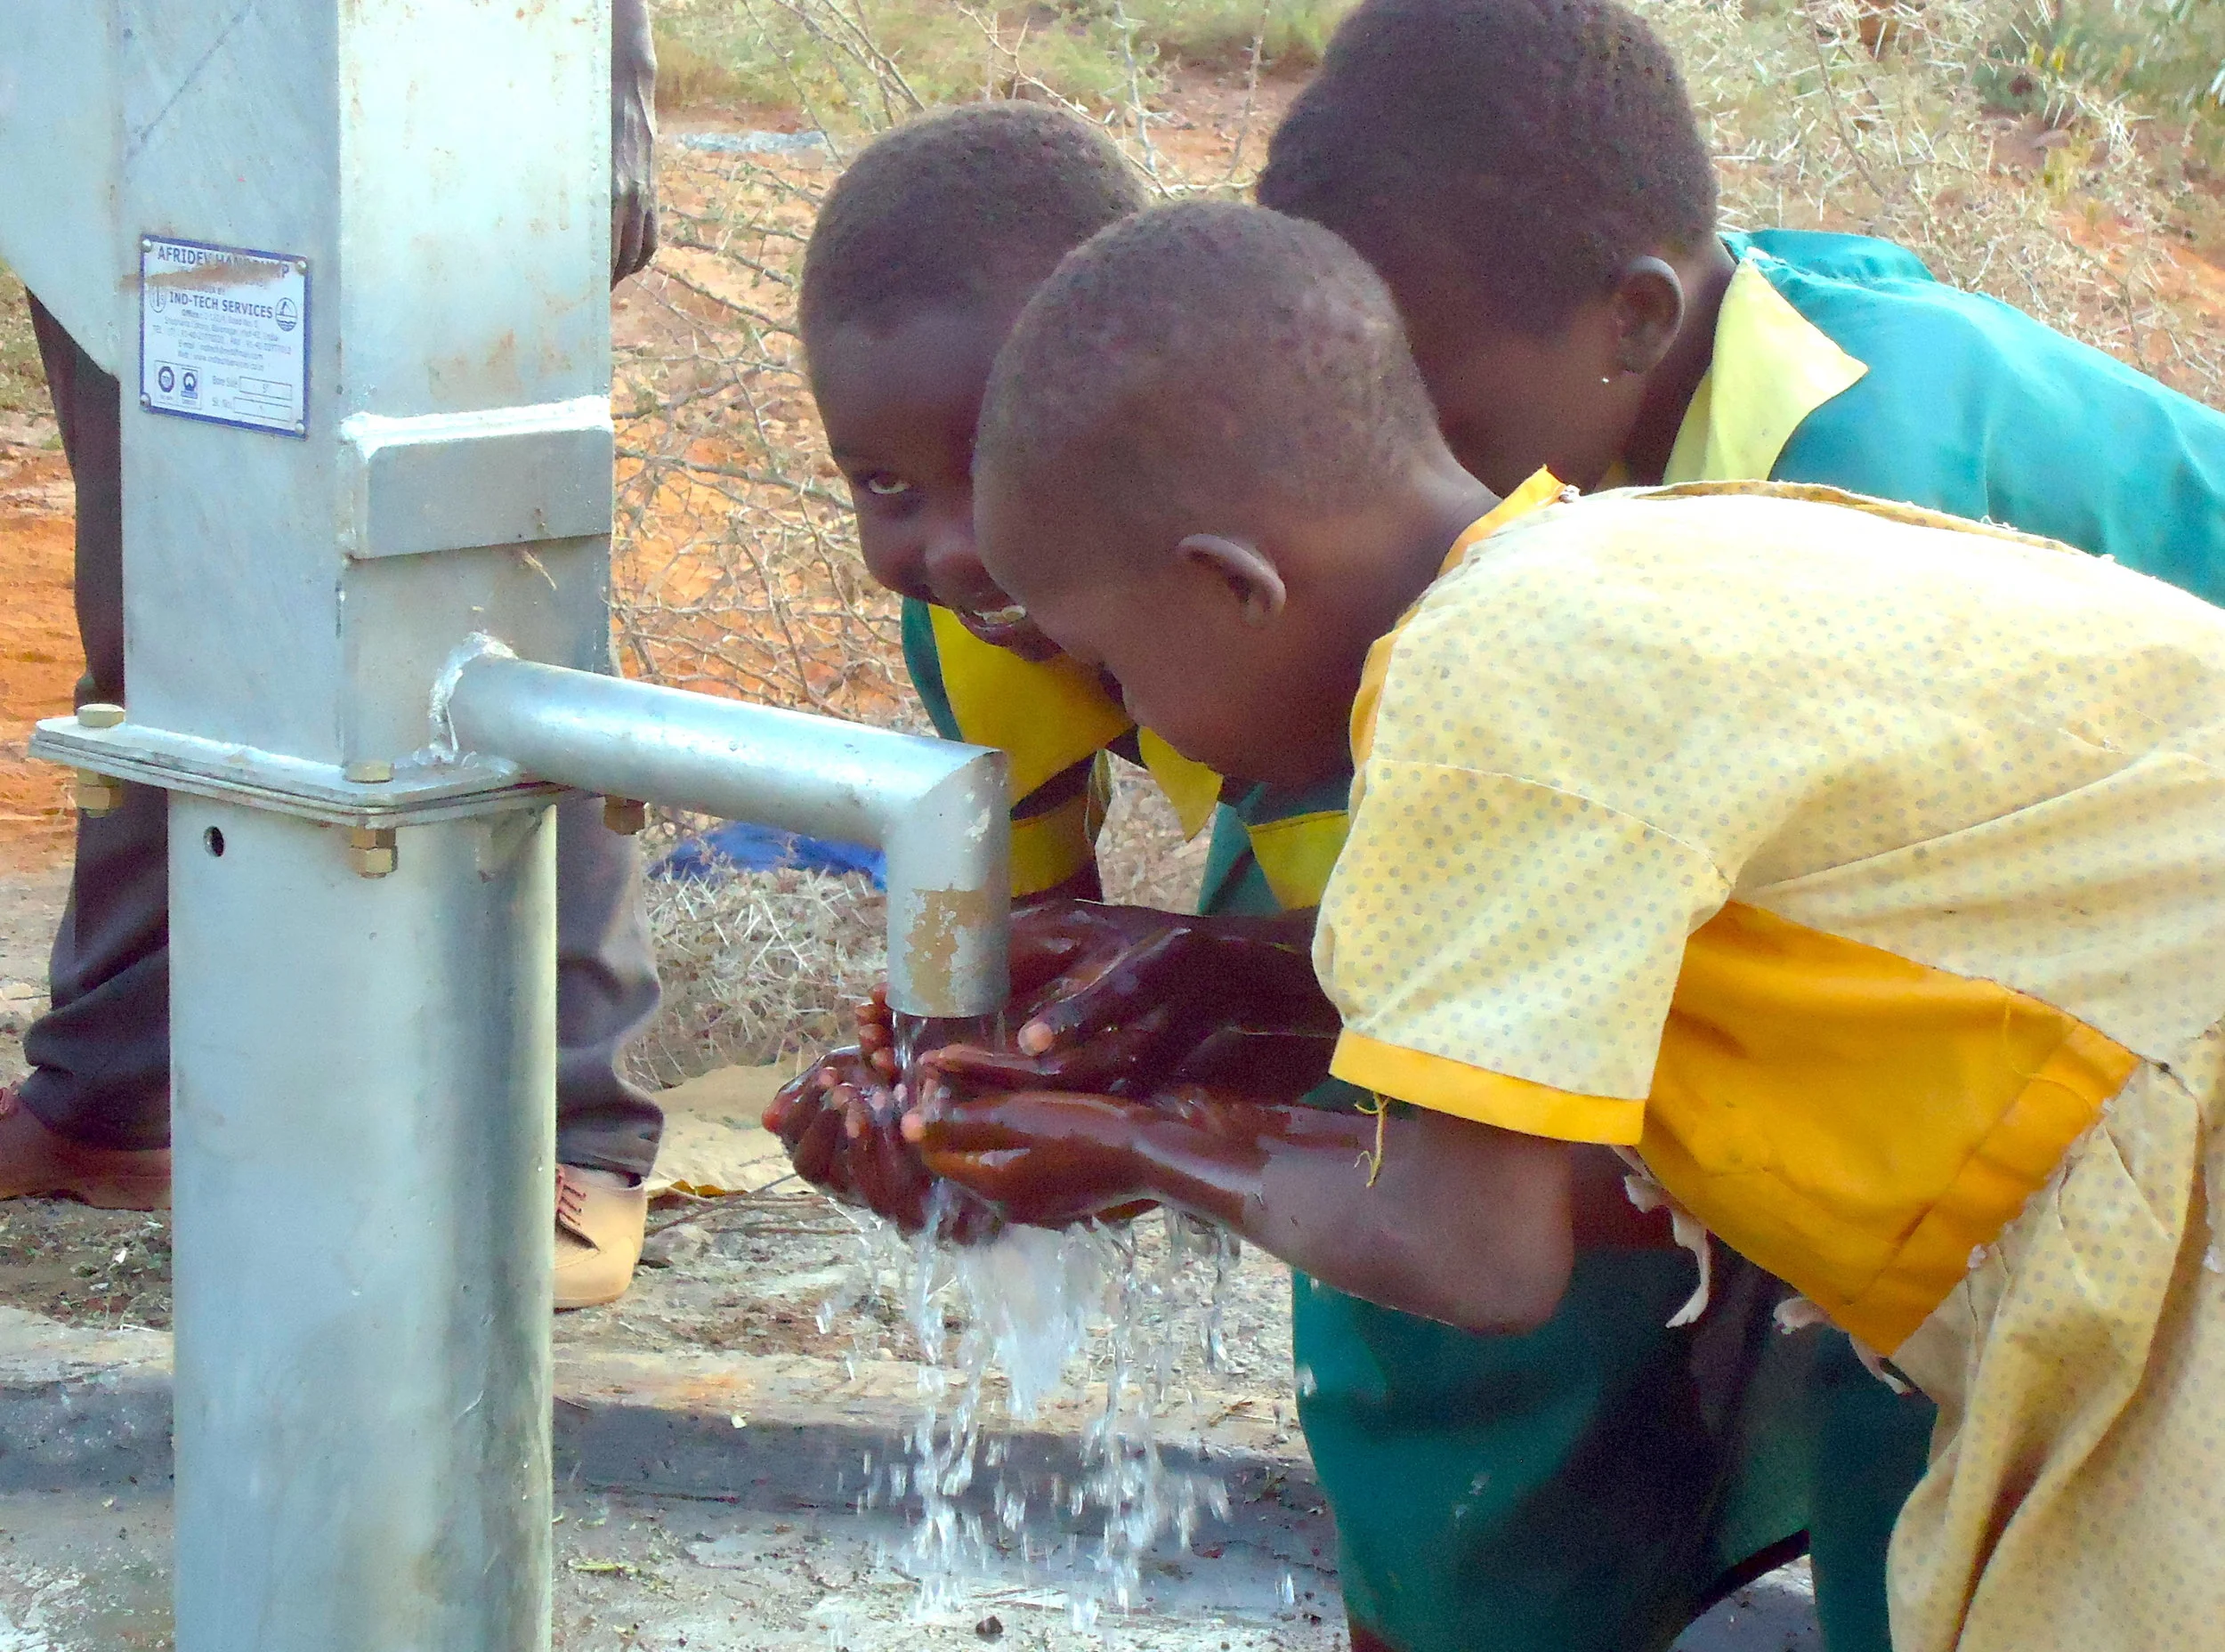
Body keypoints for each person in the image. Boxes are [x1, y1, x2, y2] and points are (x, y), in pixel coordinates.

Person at [911, 197, 2225, 1652]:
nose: (1135, 715)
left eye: (1116, 666)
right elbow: (1558, 1003)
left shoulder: (1475, 693)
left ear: (1233, 584)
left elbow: (1475, 1252)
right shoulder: (1600, 569)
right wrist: (1214, 990)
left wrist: (1126, 1149)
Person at [0, 0, 668, 1309]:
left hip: (426, 67)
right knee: (159, 597)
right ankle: (114, 1091)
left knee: (486, 588)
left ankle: (568, 1117)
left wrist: (601, 66)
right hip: (113, 68)